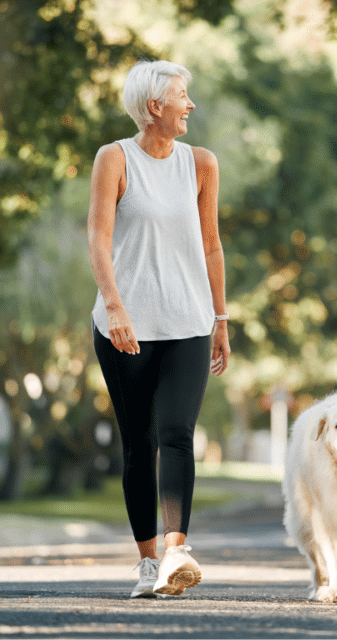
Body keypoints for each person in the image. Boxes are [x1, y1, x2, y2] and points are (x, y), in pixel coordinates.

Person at [87, 60, 230, 598]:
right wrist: (115, 307)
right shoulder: (114, 158)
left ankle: (175, 552)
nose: (190, 104)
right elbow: (99, 239)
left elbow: (212, 244)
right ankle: (148, 563)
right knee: (138, 442)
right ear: (154, 107)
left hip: (188, 321)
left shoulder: (201, 164)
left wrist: (220, 318)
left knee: (177, 434)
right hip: (125, 326)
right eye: (181, 96)